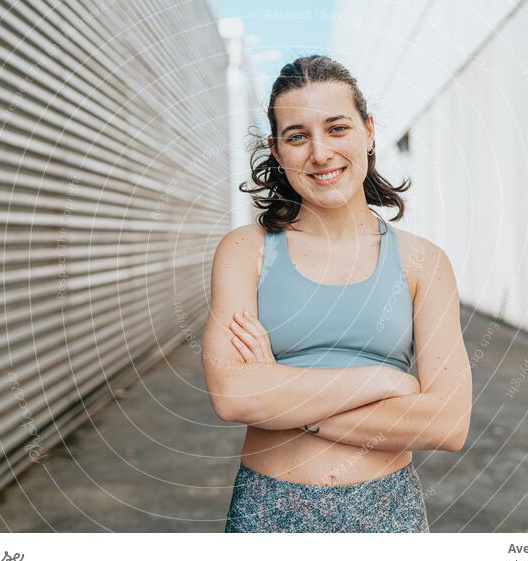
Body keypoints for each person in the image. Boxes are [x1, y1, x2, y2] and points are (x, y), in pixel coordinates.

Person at [201, 54, 472, 533]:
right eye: (297, 136)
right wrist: (384, 382)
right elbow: (232, 395)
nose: (320, 153)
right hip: (269, 510)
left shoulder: (423, 263)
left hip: (387, 513)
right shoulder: (246, 253)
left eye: (337, 128)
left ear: (368, 132)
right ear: (277, 150)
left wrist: (283, 397)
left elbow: (447, 424)